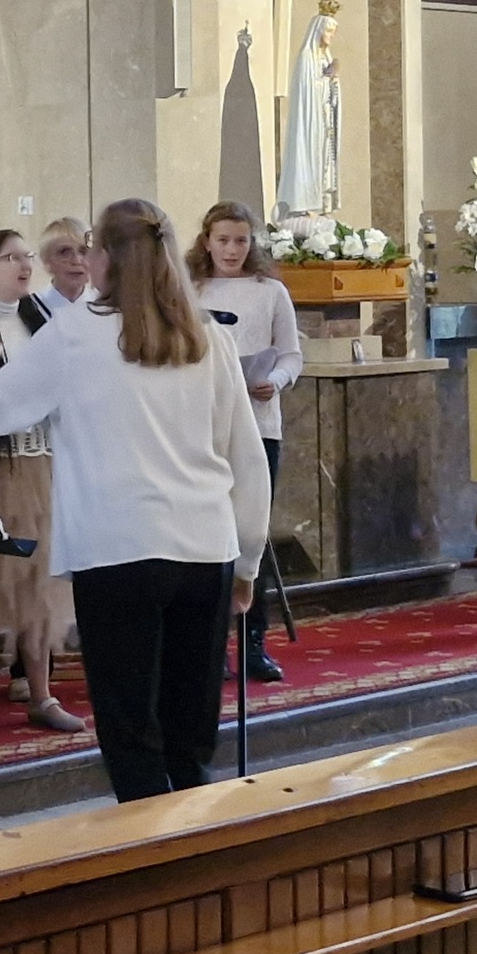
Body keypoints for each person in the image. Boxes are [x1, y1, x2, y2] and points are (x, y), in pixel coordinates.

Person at [0, 199, 270, 802]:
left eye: (91, 247)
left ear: (106, 259)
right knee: (190, 732)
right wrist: (248, 560)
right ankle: (198, 842)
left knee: (131, 733)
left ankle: (149, 846)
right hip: (205, 547)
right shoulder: (206, 334)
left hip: (118, 549)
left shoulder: (76, 332)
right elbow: (245, 458)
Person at [0, 230, 84, 738]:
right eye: (10, 258)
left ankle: (41, 692)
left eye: (27, 256)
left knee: (37, 574)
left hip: (36, 457)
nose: (24, 265)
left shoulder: (44, 319)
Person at [186, 200, 302, 684]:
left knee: (252, 533)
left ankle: (254, 641)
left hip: (259, 424)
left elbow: (292, 354)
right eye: (223, 240)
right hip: (204, 426)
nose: (232, 250)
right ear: (207, 242)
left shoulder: (269, 291)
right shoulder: (190, 289)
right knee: (208, 537)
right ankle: (210, 646)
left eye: (240, 240)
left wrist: (274, 379)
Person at [35, 217, 93, 314]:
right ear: (46, 261)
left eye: (84, 252)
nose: (76, 261)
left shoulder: (107, 310)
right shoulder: (32, 309)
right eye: (64, 252)